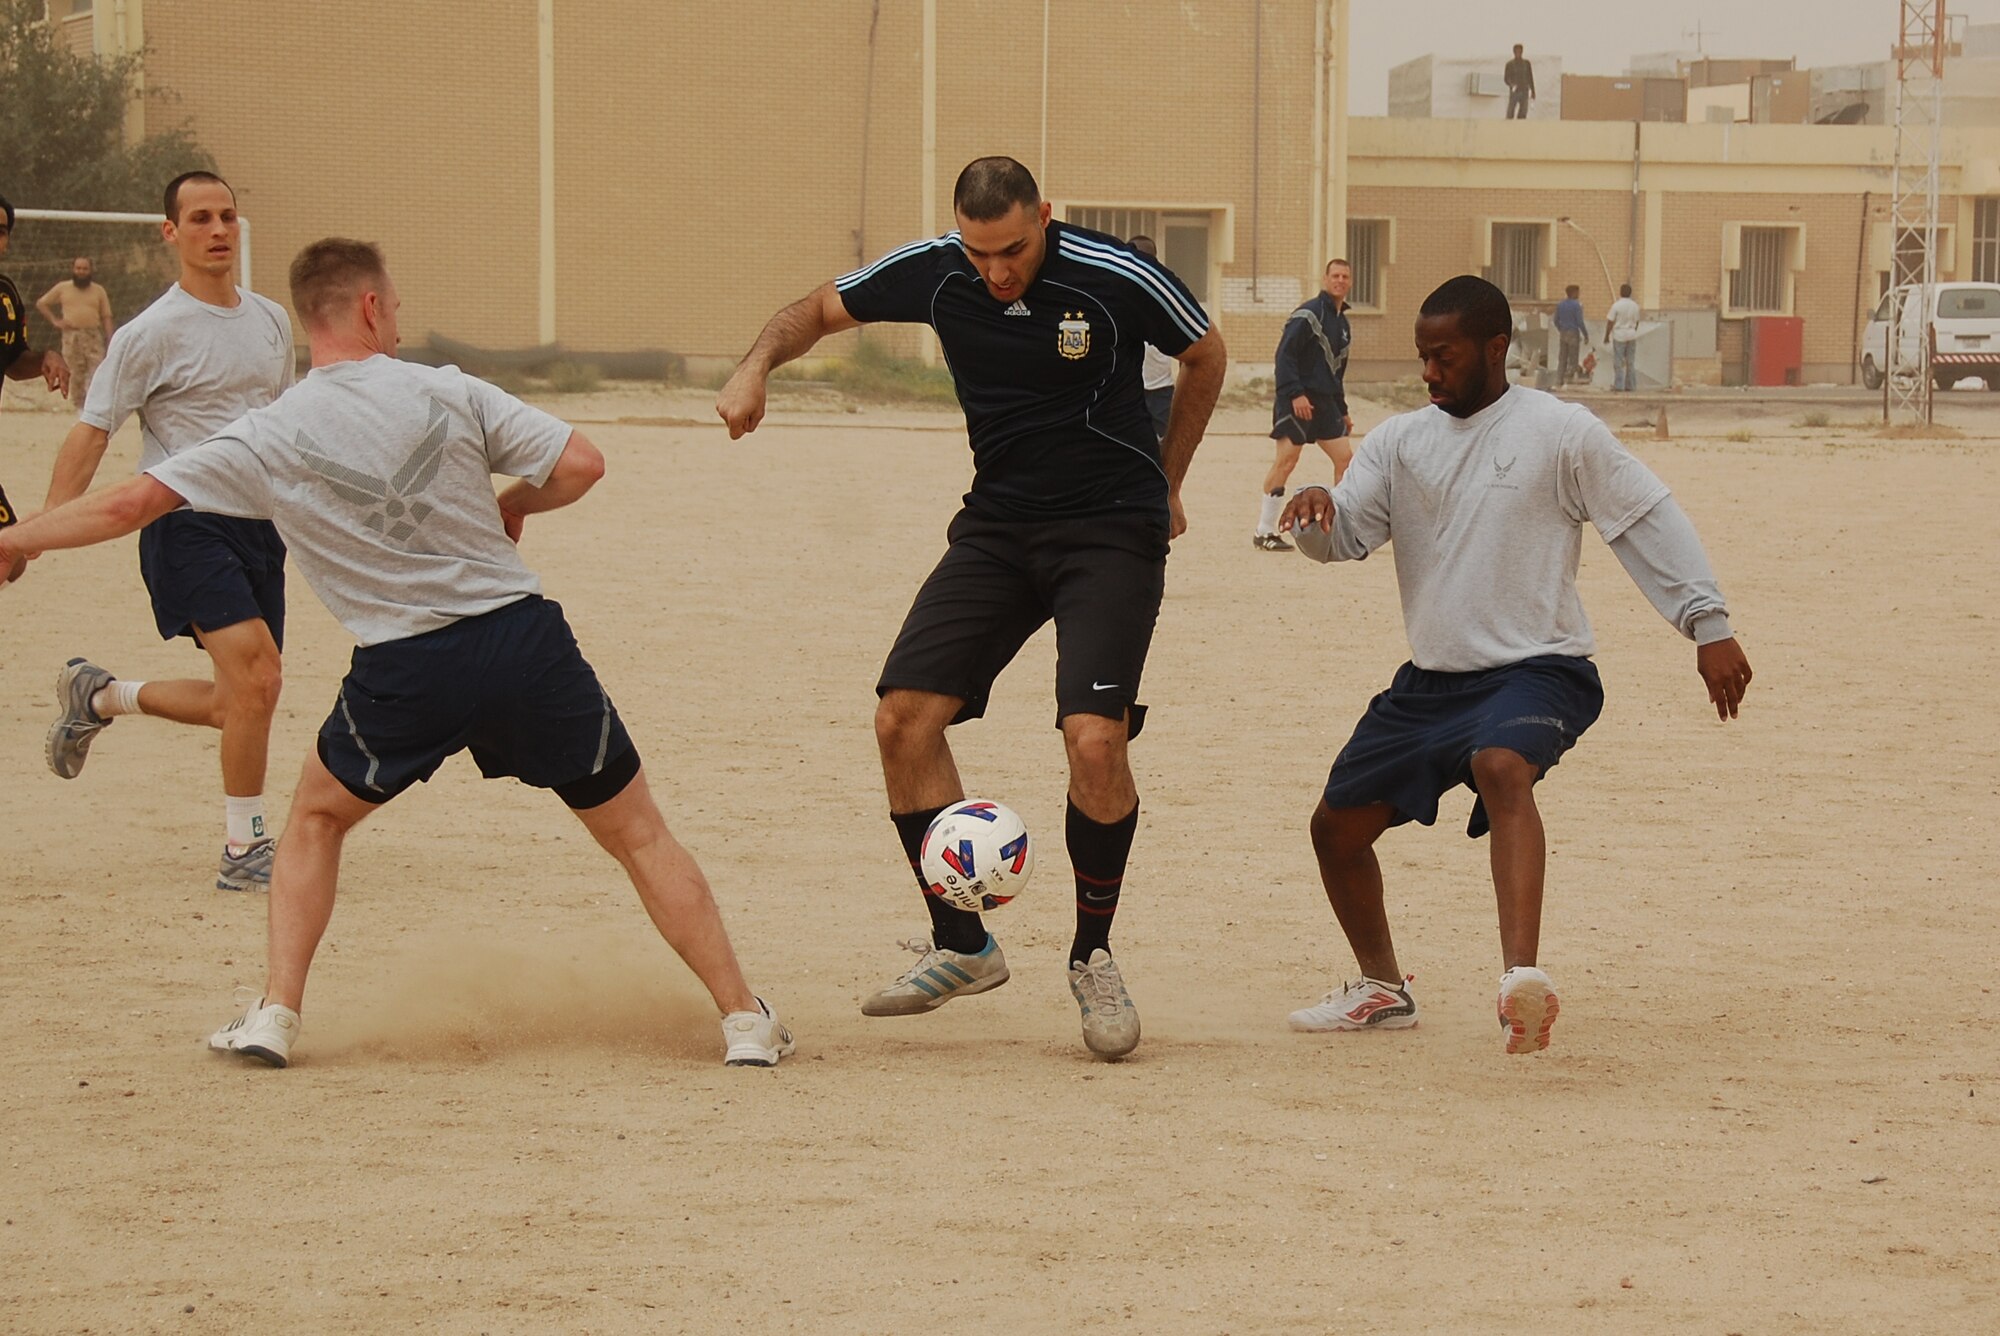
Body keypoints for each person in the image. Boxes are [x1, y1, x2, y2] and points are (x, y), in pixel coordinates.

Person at [0, 238, 795, 1070]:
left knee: (312, 818)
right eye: (397, 307)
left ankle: (275, 1014)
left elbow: (129, 503)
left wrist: (17, 539)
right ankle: (744, 1019)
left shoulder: (269, 432)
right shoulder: (446, 391)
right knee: (637, 834)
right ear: (371, 308)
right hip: (523, 642)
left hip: (405, 667)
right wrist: (514, 504)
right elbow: (584, 464)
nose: (400, 322)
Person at [716, 156, 1226, 1060]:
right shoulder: (937, 268)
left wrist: (1170, 478)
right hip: (998, 528)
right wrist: (755, 366)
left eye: (1015, 250)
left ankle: (1093, 955)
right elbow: (814, 310)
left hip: (1111, 528)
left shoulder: (1114, 275)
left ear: (1047, 218)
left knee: (1094, 739)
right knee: (902, 722)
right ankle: (964, 944)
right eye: (980, 252)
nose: (997, 272)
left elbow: (1204, 350)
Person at [1277, 275, 1752, 1056]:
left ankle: (1519, 982)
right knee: (1335, 830)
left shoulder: (1561, 432)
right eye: (1423, 357)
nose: (1429, 372)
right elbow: (1347, 535)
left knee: (1503, 765)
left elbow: (1645, 517)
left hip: (1541, 667)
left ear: (1496, 349)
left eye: (1445, 356)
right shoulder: (1400, 441)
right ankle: (1382, 990)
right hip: (1432, 681)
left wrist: (1709, 625)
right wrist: (1314, 515)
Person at [40, 172, 295, 893]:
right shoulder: (150, 333)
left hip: (259, 528)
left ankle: (98, 696)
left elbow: (279, 429)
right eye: (201, 218)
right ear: (170, 233)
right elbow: (93, 433)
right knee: (260, 676)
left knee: (239, 700)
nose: (217, 229)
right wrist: (36, 534)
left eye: (228, 217)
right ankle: (246, 851)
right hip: (183, 523)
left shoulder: (273, 321)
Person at [1257, 258, 1354, 551]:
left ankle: (1338, 525)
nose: (1339, 280)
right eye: (1335, 275)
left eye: (1345, 277)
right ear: (1325, 279)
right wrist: (1295, 393)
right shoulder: (1307, 314)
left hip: (1326, 403)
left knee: (1346, 460)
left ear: (1350, 282)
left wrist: (1343, 409)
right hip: (1296, 400)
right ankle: (1264, 531)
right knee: (1287, 461)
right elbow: (1284, 356)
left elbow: (1337, 371)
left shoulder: (1343, 323)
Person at [0, 194, 70, 586]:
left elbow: (12, 362)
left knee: (12, 556)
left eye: (1, 231)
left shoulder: (5, 297)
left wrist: (45, 357)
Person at [37, 257, 115, 405]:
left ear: (90, 270)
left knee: (97, 371)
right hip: (71, 337)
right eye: (78, 268)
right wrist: (55, 321)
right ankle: (79, 408)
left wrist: (111, 339)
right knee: (75, 374)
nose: (81, 272)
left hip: (93, 336)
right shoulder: (62, 288)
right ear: (73, 270)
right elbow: (41, 303)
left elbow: (106, 316)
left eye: (85, 269)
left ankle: (94, 406)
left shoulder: (99, 290)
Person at [1128, 235, 1177, 442]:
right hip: (1129, 386)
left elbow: (1191, 350)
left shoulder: (1167, 295)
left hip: (1160, 390)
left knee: (1160, 445)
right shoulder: (1120, 292)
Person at [1605, 282, 1642, 392]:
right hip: (1631, 335)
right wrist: (1633, 331)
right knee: (1630, 361)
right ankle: (1631, 385)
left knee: (1618, 361)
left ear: (1620, 292)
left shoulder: (1616, 305)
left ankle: (1619, 385)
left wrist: (1606, 335)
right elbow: (1637, 321)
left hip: (1619, 335)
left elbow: (1610, 321)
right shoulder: (1635, 306)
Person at [1504, 45, 1535, 119]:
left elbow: (1530, 77)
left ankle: (1520, 127)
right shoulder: (1510, 64)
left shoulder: (1526, 64)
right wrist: (1512, 85)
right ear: (1514, 52)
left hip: (1524, 90)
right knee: (1510, 111)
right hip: (1515, 91)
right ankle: (1508, 127)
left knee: (1523, 111)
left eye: (1520, 51)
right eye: (1516, 51)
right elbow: (1506, 78)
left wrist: (1533, 91)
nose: (1518, 53)